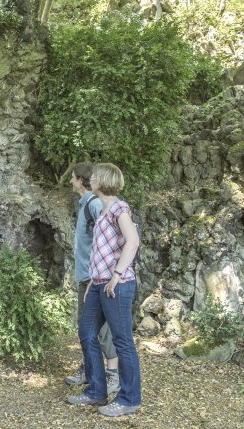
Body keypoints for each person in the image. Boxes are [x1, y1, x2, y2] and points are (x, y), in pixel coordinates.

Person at [67, 163, 141, 417]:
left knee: (122, 342)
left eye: (96, 176)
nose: (92, 179)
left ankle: (129, 399)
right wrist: (92, 281)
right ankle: (96, 391)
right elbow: (100, 252)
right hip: (97, 284)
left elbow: (132, 242)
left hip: (117, 286)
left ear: (105, 181)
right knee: (87, 333)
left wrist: (116, 276)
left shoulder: (119, 208)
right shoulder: (103, 210)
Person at [65, 163, 120, 395]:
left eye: (73, 178)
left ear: (80, 180)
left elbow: (115, 235)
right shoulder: (86, 204)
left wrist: (110, 275)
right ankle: (90, 368)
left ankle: (112, 374)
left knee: (100, 329)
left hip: (96, 278)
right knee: (87, 328)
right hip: (87, 276)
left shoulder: (95, 204)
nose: (70, 182)